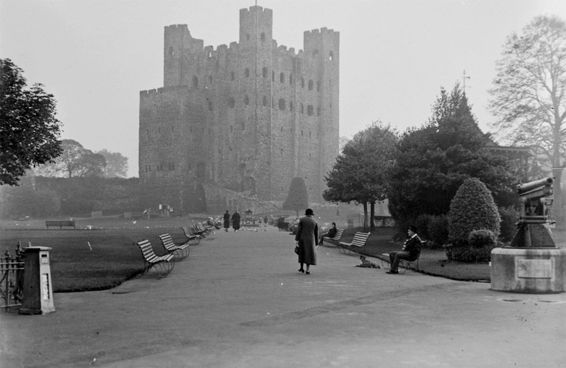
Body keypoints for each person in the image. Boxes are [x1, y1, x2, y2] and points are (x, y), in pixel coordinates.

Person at [295, 208, 319, 275]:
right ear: (311, 214)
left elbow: (299, 230)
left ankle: (301, 268)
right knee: (308, 254)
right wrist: (317, 243)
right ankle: (307, 270)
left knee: (301, 253)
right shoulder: (314, 222)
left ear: (306, 214)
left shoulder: (302, 220)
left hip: (302, 239)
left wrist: (297, 239)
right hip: (310, 240)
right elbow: (316, 233)